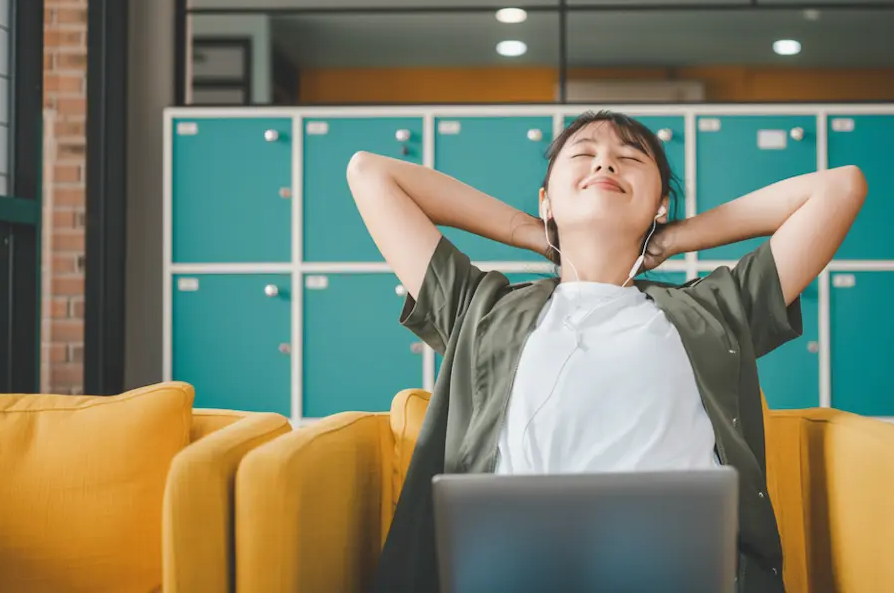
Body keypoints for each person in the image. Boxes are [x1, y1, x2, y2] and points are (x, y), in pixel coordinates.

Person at [347, 110, 867, 593]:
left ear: (661, 202)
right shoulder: (479, 306)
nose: (606, 160)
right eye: (583, 153)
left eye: (632, 157)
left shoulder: (716, 308)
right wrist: (530, 231)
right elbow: (371, 174)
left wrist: (674, 238)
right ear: (547, 197)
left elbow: (839, 188)